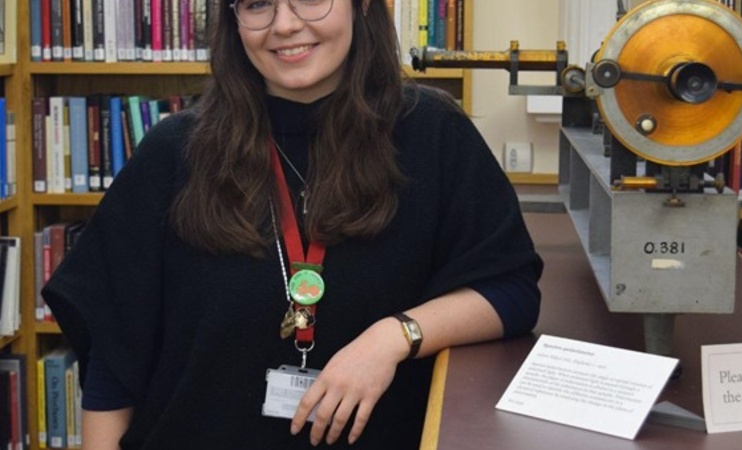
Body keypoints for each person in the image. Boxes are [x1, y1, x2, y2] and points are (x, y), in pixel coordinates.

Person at [42, 0, 543, 449]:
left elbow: (510, 291)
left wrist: (392, 338)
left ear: (362, 6)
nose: (284, 24)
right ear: (234, 20)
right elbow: (115, 353)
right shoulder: (175, 151)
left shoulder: (434, 134)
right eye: (258, 4)